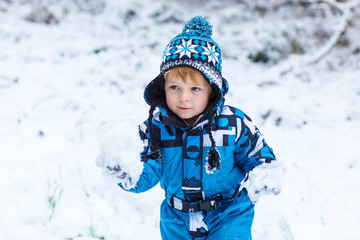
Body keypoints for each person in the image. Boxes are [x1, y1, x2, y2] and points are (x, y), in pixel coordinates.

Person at [97, 16, 284, 240]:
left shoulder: (233, 123)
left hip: (229, 212)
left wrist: (265, 172)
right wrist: (124, 170)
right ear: (163, 86)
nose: (183, 98)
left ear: (212, 91)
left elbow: (257, 153)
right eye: (175, 87)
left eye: (195, 89)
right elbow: (146, 173)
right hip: (176, 217)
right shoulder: (155, 128)